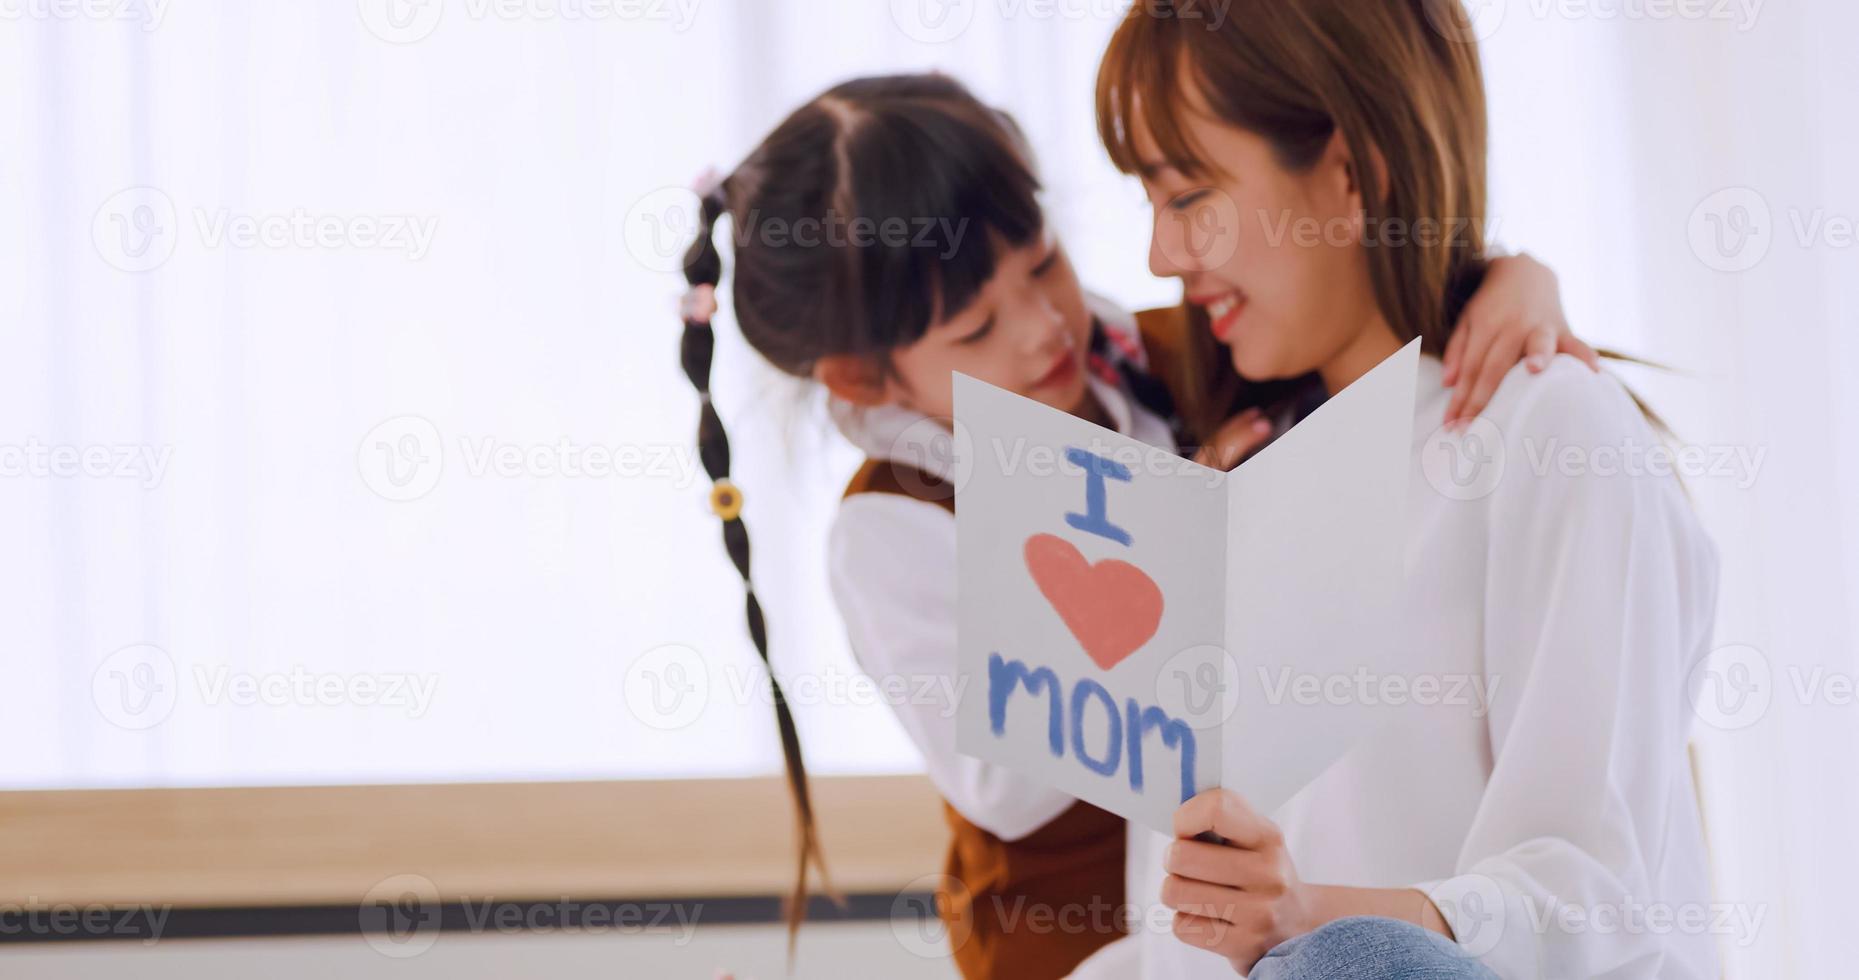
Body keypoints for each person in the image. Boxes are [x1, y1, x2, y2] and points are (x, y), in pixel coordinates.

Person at [677, 72, 1591, 977]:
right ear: (865, 380)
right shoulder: (892, 522)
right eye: (977, 326)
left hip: (1264, 916)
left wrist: (1512, 280)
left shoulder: (1175, 358)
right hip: (1068, 943)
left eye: (1043, 265)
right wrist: (1174, 548)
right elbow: (1004, 786)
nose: (1043, 329)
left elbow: (1358, 324)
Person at [1075, 1, 1720, 977]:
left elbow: (1592, 895)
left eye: (1187, 194)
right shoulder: (1229, 468)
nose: (1161, 256)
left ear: (1350, 171)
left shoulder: (1551, 436)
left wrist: (1301, 917)